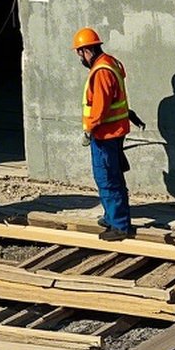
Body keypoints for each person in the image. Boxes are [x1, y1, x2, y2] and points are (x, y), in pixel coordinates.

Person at [72, 27, 145, 241]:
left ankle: (120, 225)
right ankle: (110, 215)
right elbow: (116, 97)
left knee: (107, 178)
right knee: (110, 175)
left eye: (80, 53)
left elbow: (100, 108)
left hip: (105, 134)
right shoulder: (110, 62)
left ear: (87, 50)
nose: (80, 58)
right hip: (114, 131)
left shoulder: (101, 72)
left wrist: (88, 130)